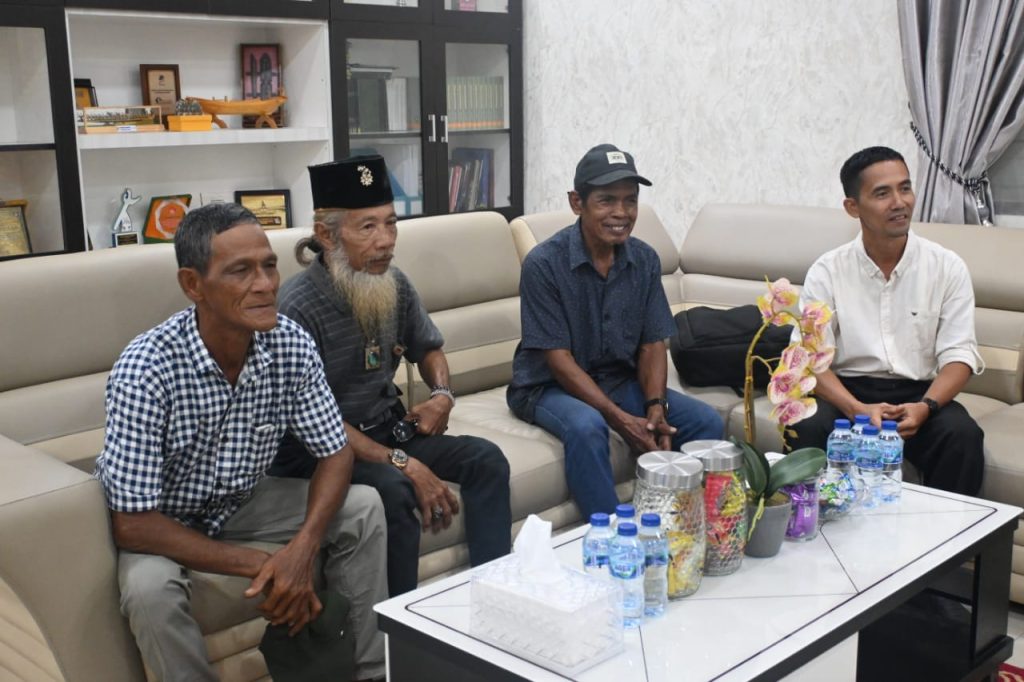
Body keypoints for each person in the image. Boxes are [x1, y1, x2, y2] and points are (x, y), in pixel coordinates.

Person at [93, 203, 388, 682]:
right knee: (148, 591)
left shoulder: (289, 343)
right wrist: (265, 564)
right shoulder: (145, 368)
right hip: (162, 518)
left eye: (269, 266)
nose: (266, 284)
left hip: (241, 501)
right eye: (241, 271)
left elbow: (335, 452)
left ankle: (370, 673)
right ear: (193, 285)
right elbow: (132, 524)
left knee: (363, 506)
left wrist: (303, 549)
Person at [271, 155, 511, 596]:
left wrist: (442, 395)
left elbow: (428, 347)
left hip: (386, 430)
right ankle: (400, 626)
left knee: (486, 459)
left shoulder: (392, 282)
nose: (385, 241)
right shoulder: (296, 307)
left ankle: (494, 593)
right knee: (395, 491)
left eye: (391, 224)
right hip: (319, 453)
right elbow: (316, 424)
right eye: (367, 227)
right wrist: (405, 463)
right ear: (326, 235)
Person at [506, 143, 724, 518]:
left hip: (617, 380)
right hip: (546, 386)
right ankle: (608, 537)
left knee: (706, 421)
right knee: (588, 426)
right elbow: (558, 360)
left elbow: (653, 343)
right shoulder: (544, 264)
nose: (621, 213)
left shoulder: (644, 259)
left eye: (630, 200)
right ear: (577, 202)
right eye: (606, 200)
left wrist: (655, 407)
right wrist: (622, 421)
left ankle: (682, 526)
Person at [791, 146, 984, 495]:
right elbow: (809, 358)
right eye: (882, 193)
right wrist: (855, 409)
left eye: (905, 188)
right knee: (805, 424)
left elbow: (960, 355)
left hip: (920, 395)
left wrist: (925, 407)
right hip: (846, 393)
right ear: (853, 207)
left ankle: (952, 531)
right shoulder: (827, 271)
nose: (899, 202)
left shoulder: (946, 267)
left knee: (962, 435)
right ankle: (815, 523)